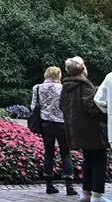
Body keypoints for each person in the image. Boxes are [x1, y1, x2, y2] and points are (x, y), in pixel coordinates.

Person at [60, 56, 108, 202]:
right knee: (100, 160)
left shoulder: (66, 86)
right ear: (83, 69)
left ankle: (85, 193)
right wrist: (107, 116)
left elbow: (62, 106)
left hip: (76, 130)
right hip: (92, 130)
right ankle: (97, 195)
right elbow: (93, 108)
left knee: (88, 160)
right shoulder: (85, 85)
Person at [32, 66, 76, 196]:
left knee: (49, 153)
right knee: (65, 153)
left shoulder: (37, 88)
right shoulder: (64, 88)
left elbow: (34, 106)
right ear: (59, 75)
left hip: (45, 124)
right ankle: (69, 187)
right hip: (62, 124)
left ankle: (49, 186)